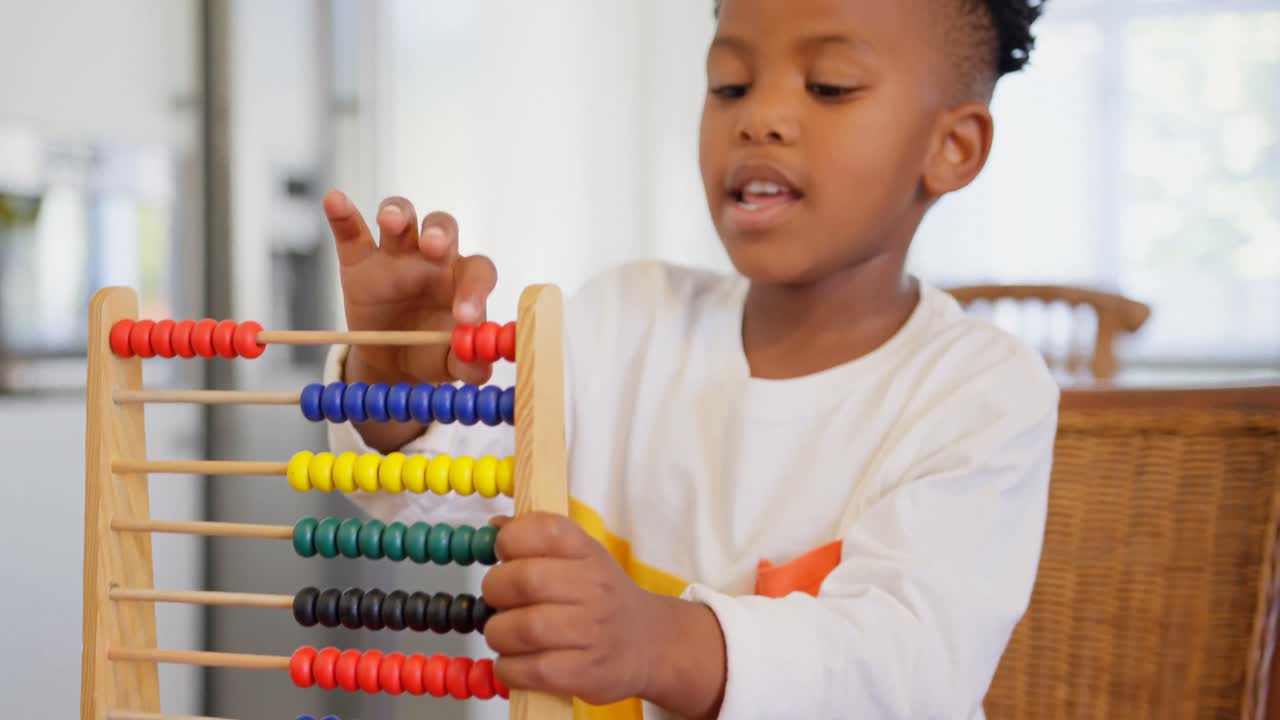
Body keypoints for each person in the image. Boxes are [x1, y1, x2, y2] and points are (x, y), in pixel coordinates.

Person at [319, 0, 1057, 717]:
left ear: (951, 147)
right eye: (730, 85)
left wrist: (656, 641)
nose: (757, 117)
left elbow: (908, 668)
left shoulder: (979, 392)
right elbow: (423, 488)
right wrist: (396, 380)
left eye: (828, 85)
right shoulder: (621, 320)